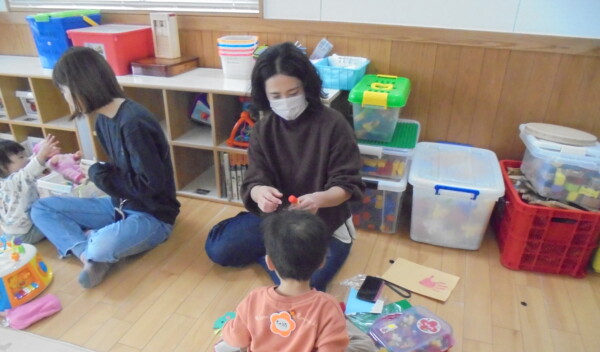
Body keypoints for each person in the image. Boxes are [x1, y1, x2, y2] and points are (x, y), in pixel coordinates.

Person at [205, 42, 364, 292]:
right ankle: (277, 261)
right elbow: (255, 179)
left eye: (293, 92)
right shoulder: (263, 130)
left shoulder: (334, 124)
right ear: (264, 96)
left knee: (309, 283)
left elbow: (346, 185)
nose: (286, 102)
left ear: (307, 87)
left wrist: (318, 199)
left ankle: (276, 261)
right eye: (276, 96)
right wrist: (260, 193)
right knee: (219, 249)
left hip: (323, 223)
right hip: (276, 219)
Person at [214, 210, 375, 352]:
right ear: (322, 262)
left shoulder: (255, 298)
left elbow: (237, 336)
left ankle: (226, 348)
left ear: (269, 262)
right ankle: (337, 327)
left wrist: (228, 334)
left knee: (246, 329)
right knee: (365, 348)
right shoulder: (326, 307)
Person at [30, 47, 180, 289]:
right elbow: (121, 169)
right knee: (41, 208)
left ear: (80, 87)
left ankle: (94, 248)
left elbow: (149, 185)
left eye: (64, 91)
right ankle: (87, 255)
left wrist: (96, 174)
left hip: (153, 215)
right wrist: (86, 170)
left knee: (102, 245)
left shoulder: (133, 123)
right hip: (118, 205)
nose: (65, 98)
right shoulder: (103, 121)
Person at [0, 135, 61, 244]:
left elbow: (30, 165)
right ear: (4, 167)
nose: (26, 159)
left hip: (12, 232)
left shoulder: (8, 181)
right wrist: (42, 155)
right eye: (21, 157)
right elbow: (29, 171)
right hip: (25, 234)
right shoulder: (11, 183)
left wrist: (43, 155)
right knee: (59, 218)